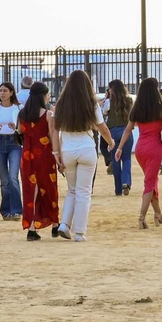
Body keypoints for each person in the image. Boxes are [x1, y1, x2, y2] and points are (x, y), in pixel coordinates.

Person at [50, 71, 114, 242]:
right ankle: (79, 232)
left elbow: (55, 131)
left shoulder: (61, 104)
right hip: (86, 148)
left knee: (72, 190)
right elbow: (102, 128)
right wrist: (111, 142)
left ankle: (64, 224)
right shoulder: (91, 104)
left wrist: (56, 153)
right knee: (84, 192)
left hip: (67, 150)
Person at [124, 77, 162, 230]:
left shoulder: (137, 108)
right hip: (155, 148)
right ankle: (141, 217)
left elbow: (128, 130)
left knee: (152, 180)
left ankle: (158, 214)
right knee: (150, 182)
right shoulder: (158, 108)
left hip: (140, 148)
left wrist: (120, 147)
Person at [18, 81, 60, 241]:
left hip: (27, 155)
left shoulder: (22, 114)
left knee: (30, 191)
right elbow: (52, 135)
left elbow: (20, 132)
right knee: (49, 188)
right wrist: (58, 155)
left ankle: (31, 227)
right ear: (43, 95)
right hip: (44, 155)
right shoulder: (48, 114)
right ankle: (55, 224)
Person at [0, 82, 23, 220]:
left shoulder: (18, 108)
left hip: (14, 143)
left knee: (13, 177)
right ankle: (6, 211)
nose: (2, 93)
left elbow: (23, 128)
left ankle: (17, 210)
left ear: (12, 92)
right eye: (0, 90)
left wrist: (16, 128)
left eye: (5, 90)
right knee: (4, 180)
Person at [103, 79, 135, 196]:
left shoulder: (109, 102)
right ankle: (126, 182)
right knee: (126, 159)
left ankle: (117, 189)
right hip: (127, 131)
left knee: (116, 160)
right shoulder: (129, 100)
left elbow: (105, 113)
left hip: (113, 132)